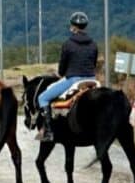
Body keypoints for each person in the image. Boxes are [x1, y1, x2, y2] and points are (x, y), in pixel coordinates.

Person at [36, 11, 98, 142]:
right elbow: (93, 63)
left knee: (43, 98)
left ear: (73, 27)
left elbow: (62, 69)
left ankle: (48, 131)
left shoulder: (68, 44)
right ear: (85, 27)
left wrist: (62, 73)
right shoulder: (93, 44)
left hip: (74, 79)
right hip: (92, 80)